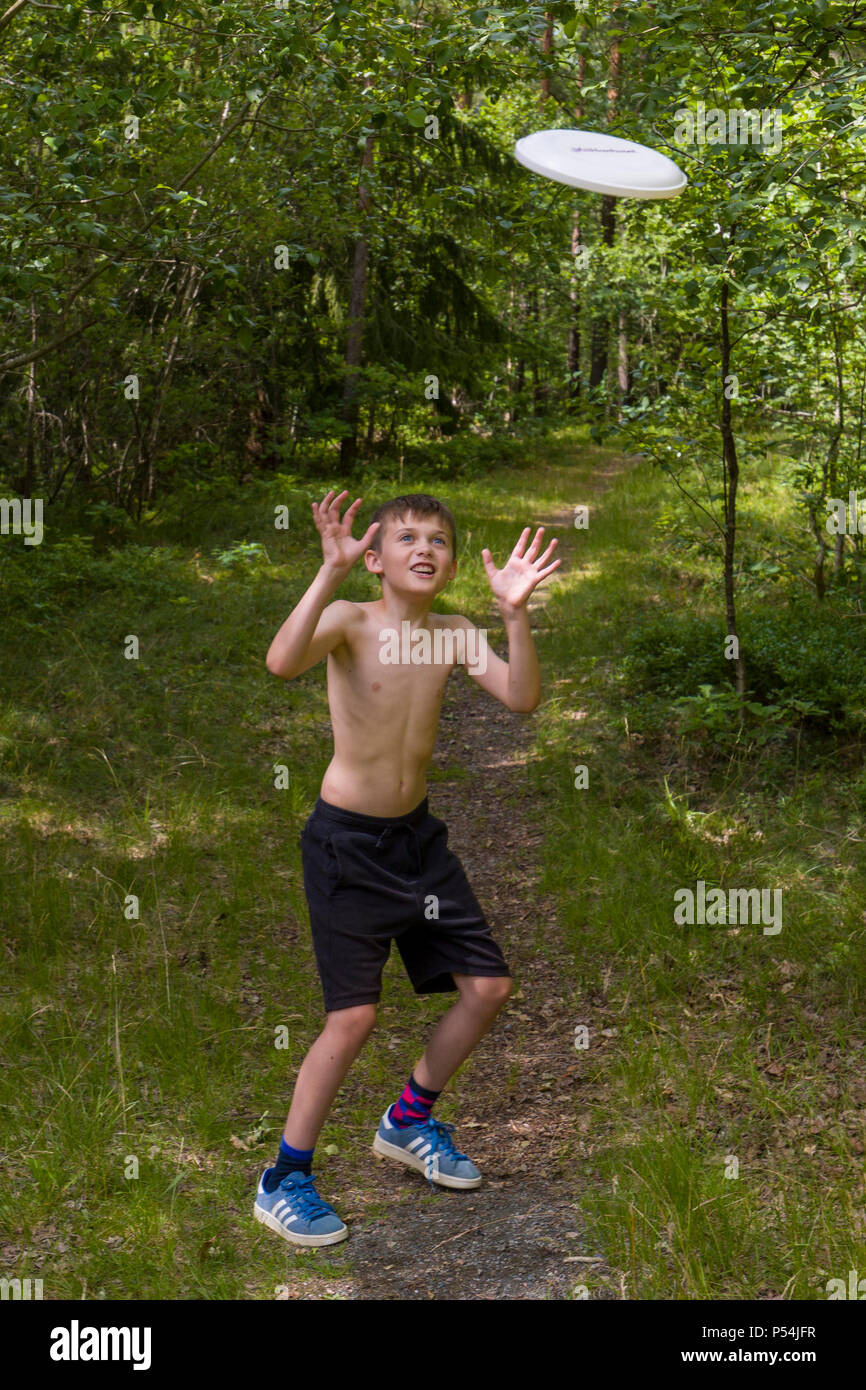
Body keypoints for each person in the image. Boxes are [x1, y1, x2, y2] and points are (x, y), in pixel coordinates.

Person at [253, 490, 560, 1246]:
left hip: (416, 845)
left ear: (454, 564)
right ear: (375, 557)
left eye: (441, 540)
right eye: (408, 538)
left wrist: (515, 615)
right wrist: (325, 575)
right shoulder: (352, 621)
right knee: (353, 1017)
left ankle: (408, 1120)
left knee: (488, 986)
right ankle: (284, 1177)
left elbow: (521, 699)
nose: (426, 548)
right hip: (346, 847)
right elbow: (281, 662)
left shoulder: (452, 633)